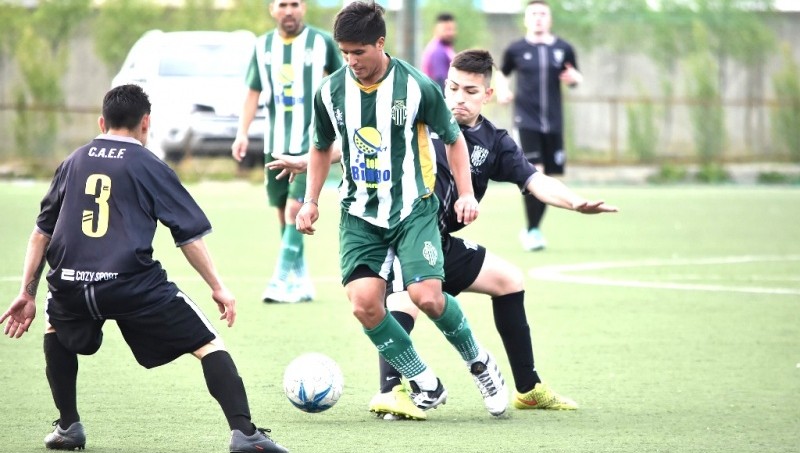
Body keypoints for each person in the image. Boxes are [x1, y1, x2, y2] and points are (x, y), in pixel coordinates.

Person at [268, 49, 617, 421]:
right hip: (403, 227)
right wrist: (308, 162)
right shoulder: (424, 113)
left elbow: (534, 180)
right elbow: (362, 139)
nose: (458, 98)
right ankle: (394, 391)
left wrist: (575, 202)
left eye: (470, 91)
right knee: (404, 295)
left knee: (509, 281)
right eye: (452, 88)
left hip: (438, 237)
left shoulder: (495, 142)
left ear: (489, 94)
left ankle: (528, 389)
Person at [1, 84, 289, 453]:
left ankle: (68, 427)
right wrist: (218, 286)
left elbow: (41, 234)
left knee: (55, 323)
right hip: (130, 284)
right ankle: (245, 433)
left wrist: (27, 292)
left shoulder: (72, 161)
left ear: (102, 121)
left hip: (71, 284)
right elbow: (188, 236)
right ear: (145, 123)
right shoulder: (149, 164)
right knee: (207, 343)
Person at [295, 1, 508, 417]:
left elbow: (453, 139)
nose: (352, 61)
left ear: (380, 42)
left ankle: (480, 363)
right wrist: (310, 201)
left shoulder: (417, 87)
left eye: (359, 51)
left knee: (427, 297)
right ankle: (424, 380)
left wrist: (465, 193)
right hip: (359, 214)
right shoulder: (331, 91)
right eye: (344, 52)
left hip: (414, 209)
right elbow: (320, 147)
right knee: (363, 304)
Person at [231, 0, 343, 303]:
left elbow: (346, 81)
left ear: (303, 8)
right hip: (275, 142)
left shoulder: (321, 42)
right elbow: (253, 91)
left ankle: (280, 279)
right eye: (283, 4)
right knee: (283, 213)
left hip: (310, 146)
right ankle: (301, 279)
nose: (289, 10)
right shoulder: (262, 45)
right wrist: (242, 133)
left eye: (294, 4)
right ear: (273, 9)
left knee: (296, 209)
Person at [496, 0, 583, 252]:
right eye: (533, 13)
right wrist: (503, 91)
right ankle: (532, 230)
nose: (538, 18)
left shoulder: (563, 48)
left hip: (553, 123)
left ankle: (533, 228)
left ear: (550, 19)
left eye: (542, 14)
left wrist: (575, 79)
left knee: (550, 177)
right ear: (526, 19)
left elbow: (575, 76)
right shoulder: (516, 49)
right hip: (526, 122)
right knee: (537, 173)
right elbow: (503, 73)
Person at [420, 12, 457, 91]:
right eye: (446, 30)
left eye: (452, 29)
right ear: (436, 30)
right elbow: (440, 83)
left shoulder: (445, 47)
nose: (450, 33)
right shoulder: (437, 50)